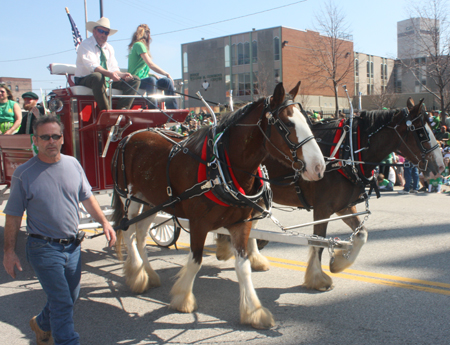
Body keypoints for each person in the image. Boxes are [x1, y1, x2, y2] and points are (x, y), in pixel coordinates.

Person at [2, 116, 116, 345]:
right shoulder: (24, 173)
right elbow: (13, 216)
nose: (51, 141)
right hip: (43, 248)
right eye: (45, 137)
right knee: (63, 302)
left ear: (62, 139)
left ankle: (42, 324)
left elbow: (87, 197)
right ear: (35, 140)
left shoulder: (73, 164)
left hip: (73, 247)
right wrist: (9, 252)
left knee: (69, 298)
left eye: (55, 136)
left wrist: (104, 221)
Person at [75, 17, 140, 111]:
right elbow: (93, 66)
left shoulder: (109, 48)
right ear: (94, 31)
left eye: (106, 33)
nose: (103, 35)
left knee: (135, 80)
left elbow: (113, 68)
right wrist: (110, 74)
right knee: (98, 76)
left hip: (105, 79)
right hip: (85, 78)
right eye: (101, 31)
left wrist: (122, 75)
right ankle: (107, 113)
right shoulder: (86, 44)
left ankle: (121, 112)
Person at [127, 24, 178, 109]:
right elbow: (150, 64)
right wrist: (166, 73)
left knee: (167, 81)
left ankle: (173, 111)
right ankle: (153, 109)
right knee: (152, 80)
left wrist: (153, 74)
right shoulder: (139, 45)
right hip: (137, 80)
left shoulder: (138, 46)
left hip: (145, 79)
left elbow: (142, 70)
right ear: (147, 35)